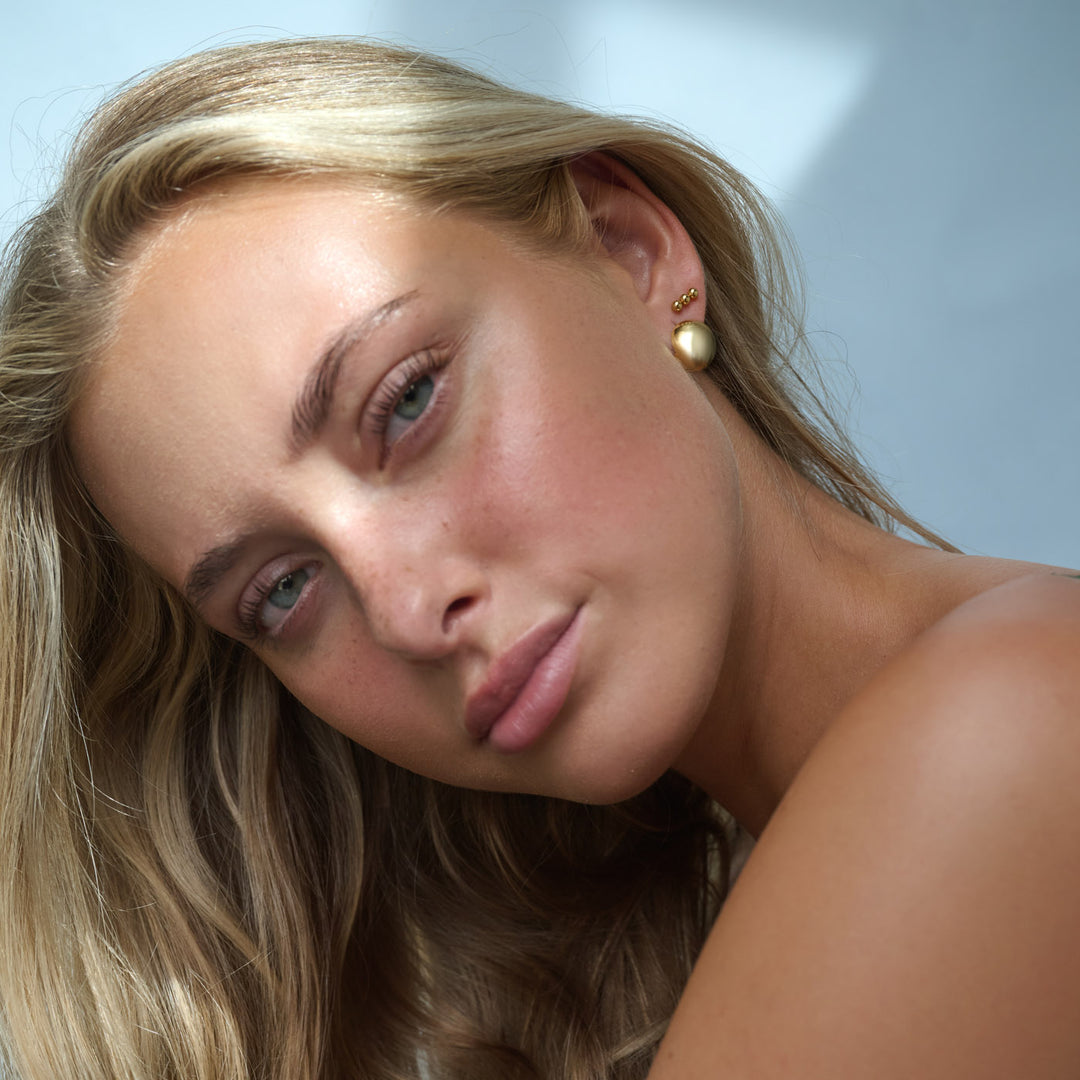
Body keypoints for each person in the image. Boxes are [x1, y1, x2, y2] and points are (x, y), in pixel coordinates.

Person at [1, 35, 1078, 1080]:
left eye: (407, 400)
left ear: (630, 252)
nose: (405, 611)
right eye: (283, 589)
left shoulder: (1003, 733)